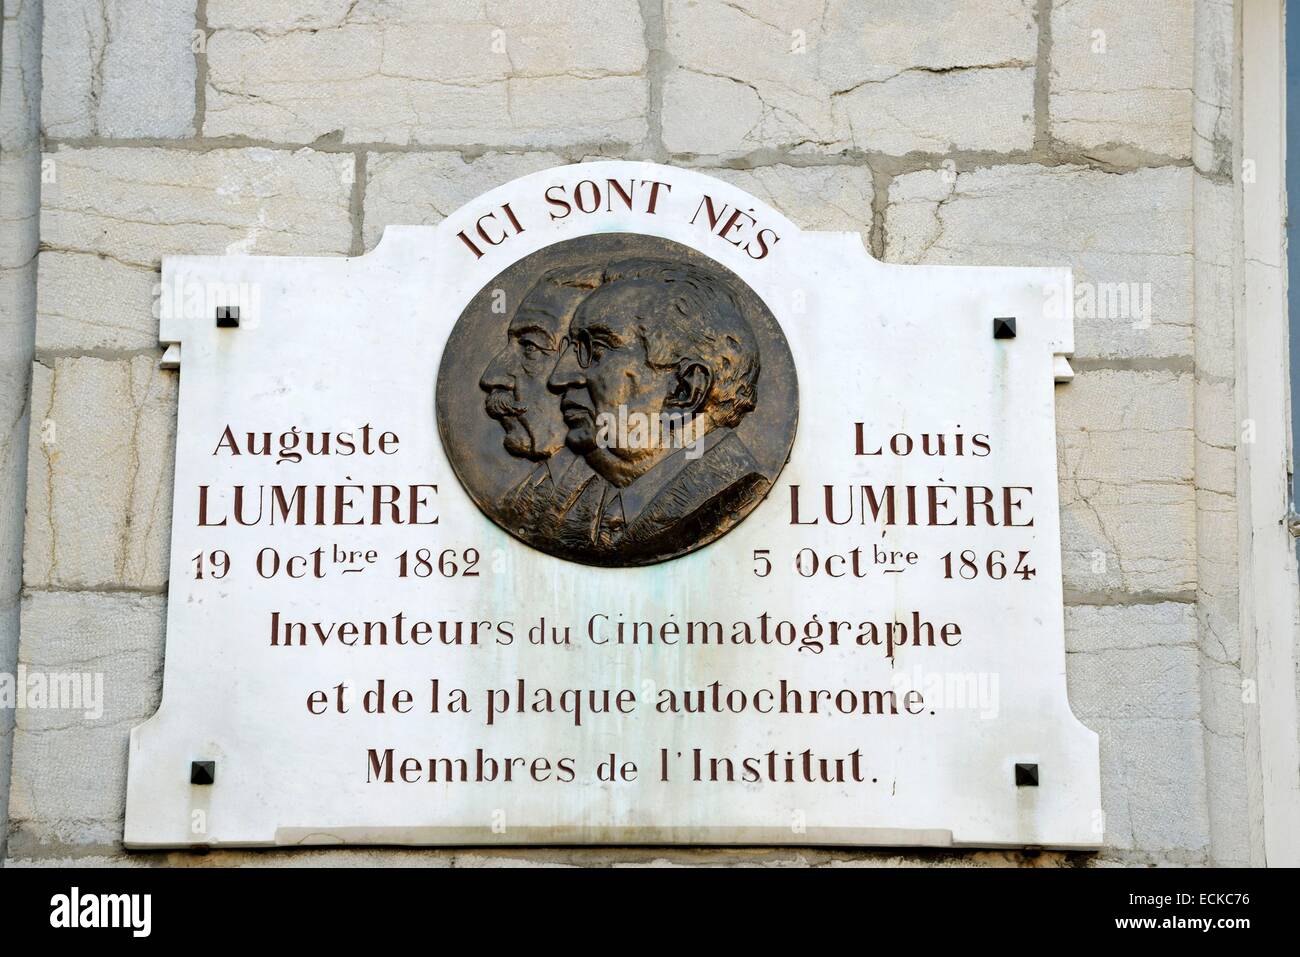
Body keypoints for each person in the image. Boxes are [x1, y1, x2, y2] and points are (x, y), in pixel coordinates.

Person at [546, 258, 769, 562]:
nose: (559, 377)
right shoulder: (574, 501)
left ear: (685, 388)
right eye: (573, 349)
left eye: (596, 349)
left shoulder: (731, 493)